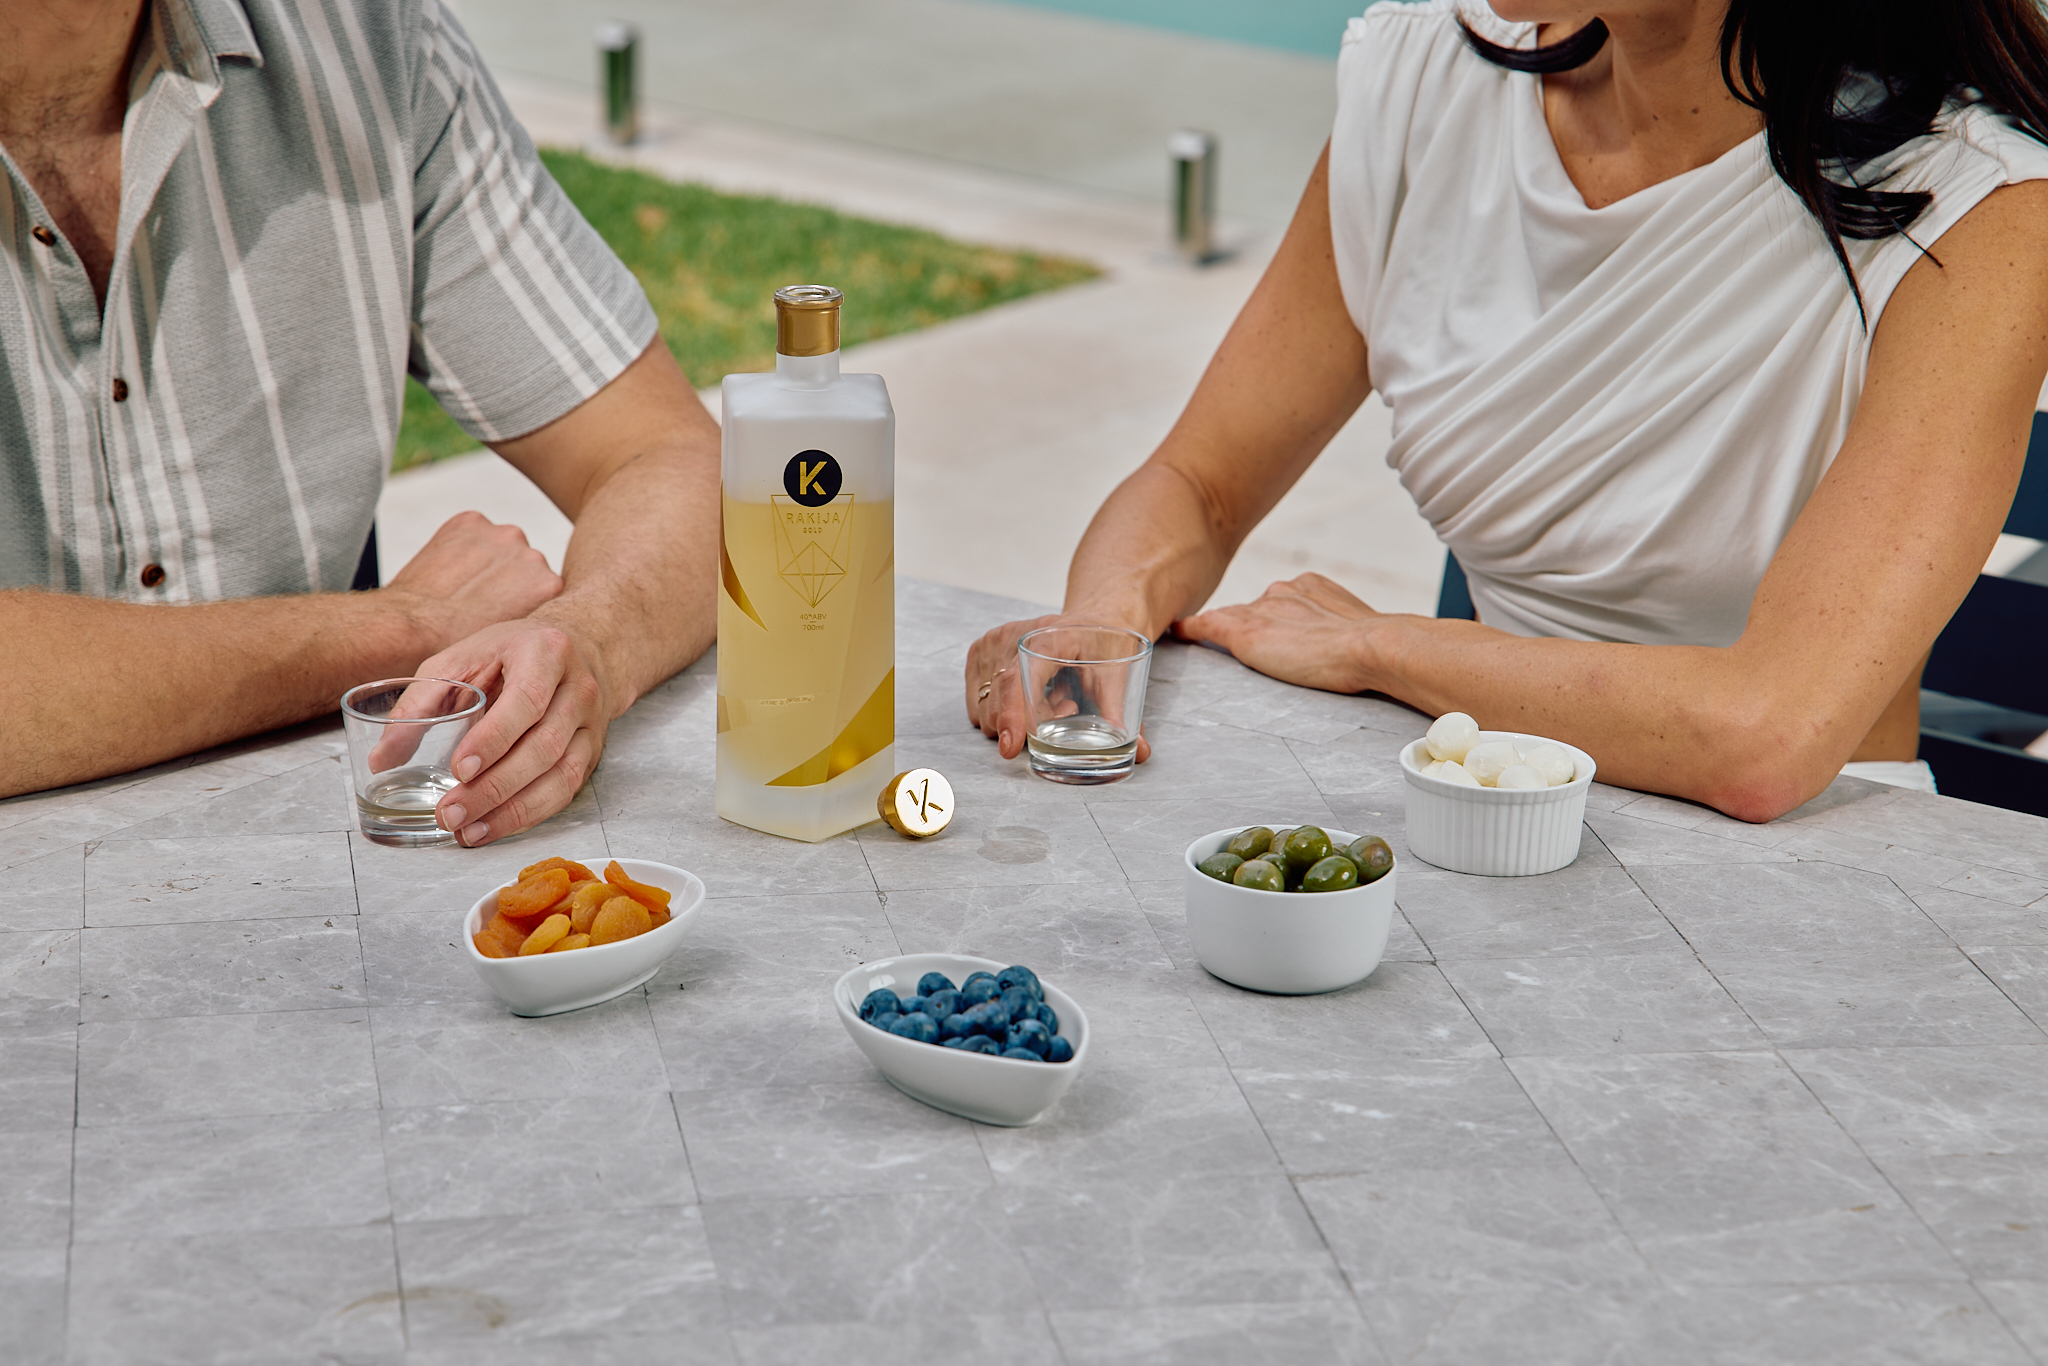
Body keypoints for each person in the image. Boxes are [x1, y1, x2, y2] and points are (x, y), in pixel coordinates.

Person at [966, 0, 2048, 823]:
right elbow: (1197, 484)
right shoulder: (1428, 86)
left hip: (1807, 867)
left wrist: (1381, 649)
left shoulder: (1975, 207)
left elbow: (1765, 735)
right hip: (1477, 799)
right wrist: (1089, 651)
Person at [0, 0, 720, 845]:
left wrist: (589, 642)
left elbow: (667, 453)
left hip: (340, 884)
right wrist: (393, 628)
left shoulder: (372, 38)